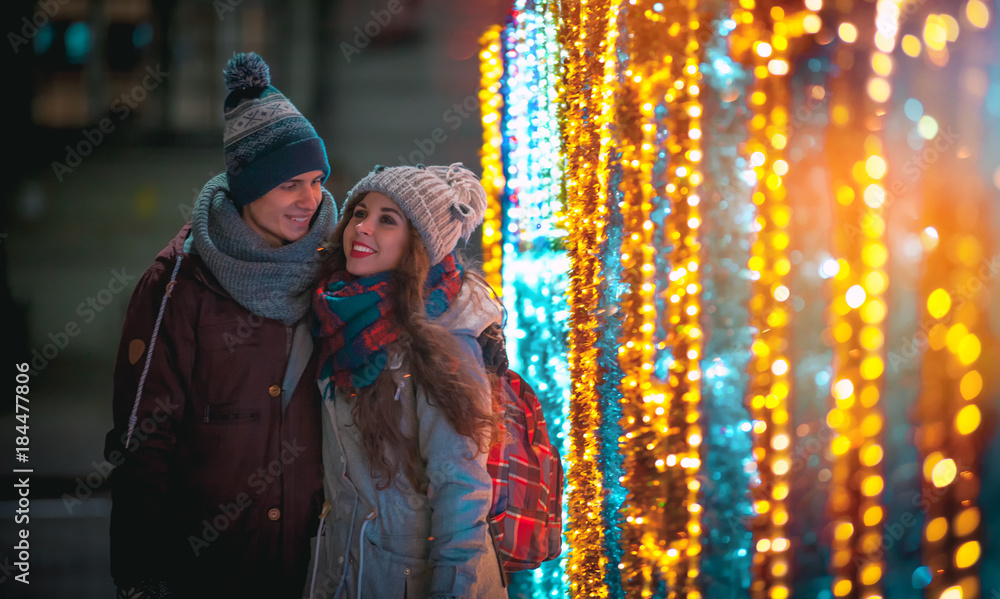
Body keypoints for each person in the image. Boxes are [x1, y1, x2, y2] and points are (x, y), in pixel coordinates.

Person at [104, 52, 336, 598]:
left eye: (317, 180)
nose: (311, 200)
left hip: (315, 565)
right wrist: (140, 576)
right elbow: (143, 441)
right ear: (249, 186)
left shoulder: (336, 269)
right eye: (290, 185)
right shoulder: (179, 283)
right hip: (211, 570)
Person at [306, 163, 508, 598]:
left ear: (419, 244)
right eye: (360, 213)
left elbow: (462, 492)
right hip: (345, 573)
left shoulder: (444, 339)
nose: (363, 228)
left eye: (387, 220)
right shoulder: (334, 315)